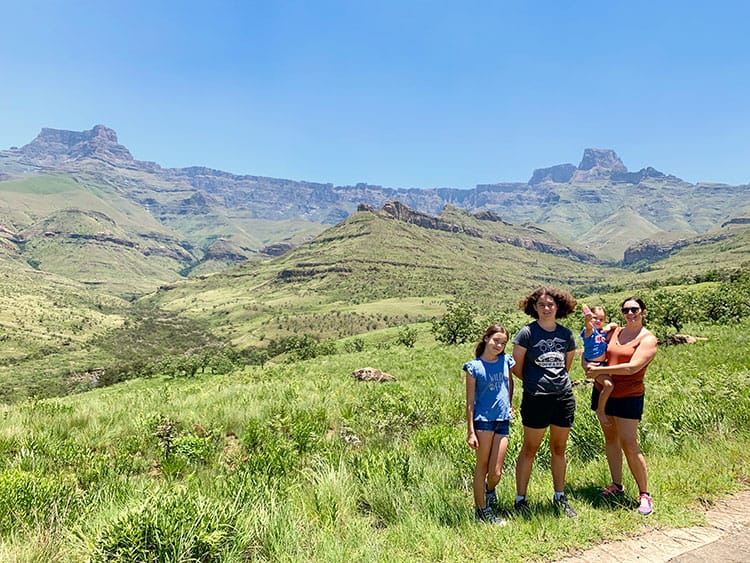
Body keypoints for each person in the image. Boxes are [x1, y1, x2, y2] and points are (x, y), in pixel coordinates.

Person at [584, 296, 658, 516]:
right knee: (611, 440)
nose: (630, 313)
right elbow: (593, 347)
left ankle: (644, 494)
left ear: (643, 311)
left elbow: (632, 367)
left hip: (628, 395)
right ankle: (617, 485)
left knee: (629, 443)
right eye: (626, 310)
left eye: (635, 309)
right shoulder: (614, 331)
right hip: (604, 393)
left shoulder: (648, 339)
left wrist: (596, 372)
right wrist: (587, 364)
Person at [512, 286, 578, 518]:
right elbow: (516, 367)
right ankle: (521, 499)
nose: (547, 308)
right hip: (536, 398)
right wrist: (534, 382)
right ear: (534, 307)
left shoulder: (566, 335)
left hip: (562, 397)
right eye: (542, 305)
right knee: (530, 448)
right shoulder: (526, 334)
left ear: (558, 307)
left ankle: (560, 496)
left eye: (551, 304)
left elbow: (566, 367)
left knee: (559, 448)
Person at [464, 324, 515, 525]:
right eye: (496, 341)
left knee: (496, 472)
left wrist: (510, 405)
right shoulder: (473, 367)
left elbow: (510, 384)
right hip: (483, 422)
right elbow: (470, 402)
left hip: (502, 420)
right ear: (486, 338)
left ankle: (489, 491)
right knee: (482, 467)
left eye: (503, 343)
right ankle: (482, 511)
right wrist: (470, 431)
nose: (499, 345)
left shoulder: (506, 361)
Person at [580, 305, 618, 426]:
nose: (598, 321)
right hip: (593, 366)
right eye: (595, 318)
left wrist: (608, 327)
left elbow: (615, 324)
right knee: (608, 385)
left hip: (603, 365)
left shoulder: (603, 333)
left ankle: (606, 408)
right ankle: (600, 410)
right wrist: (588, 319)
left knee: (611, 384)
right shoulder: (589, 332)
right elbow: (588, 326)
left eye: (601, 319)